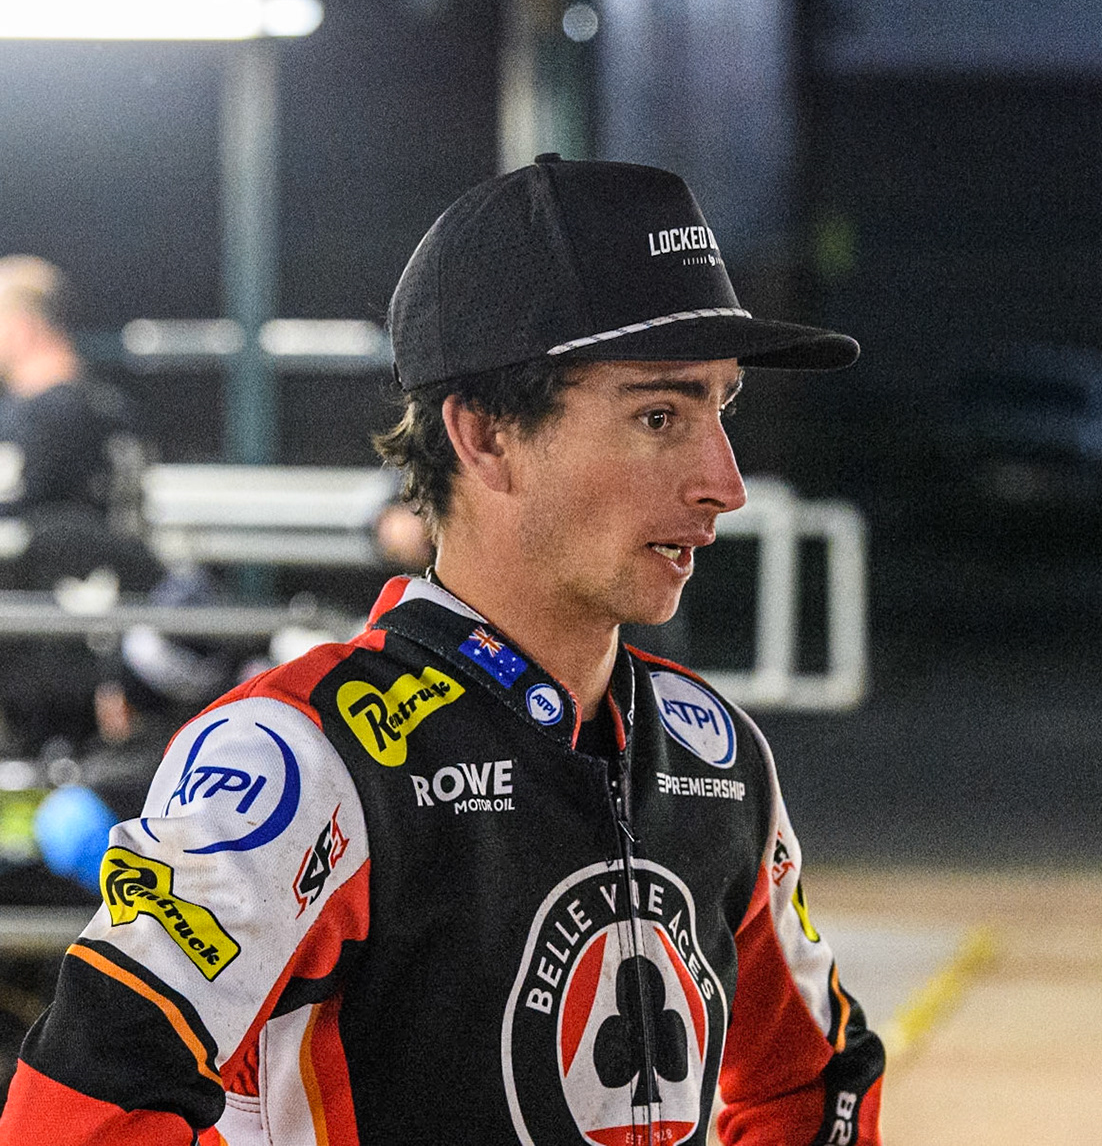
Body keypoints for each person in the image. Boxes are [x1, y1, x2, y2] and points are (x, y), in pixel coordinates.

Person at [0, 157, 886, 1144]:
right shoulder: (304, 758)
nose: (725, 481)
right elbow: (74, 1120)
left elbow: (820, 1077)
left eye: (723, 408)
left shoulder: (714, 753)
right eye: (658, 416)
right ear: (485, 435)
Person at [0, 256, 157, 755]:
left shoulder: (38, 418)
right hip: (122, 643)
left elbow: (20, 533)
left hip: (51, 654)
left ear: (23, 325)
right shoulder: (114, 409)